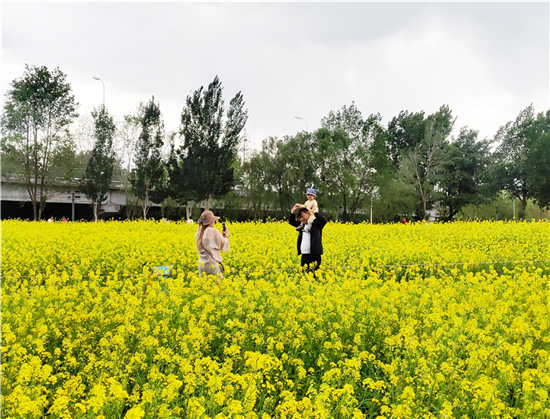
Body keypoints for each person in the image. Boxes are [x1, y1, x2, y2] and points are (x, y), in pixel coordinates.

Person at [289, 203, 327, 274]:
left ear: (308, 213)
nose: (301, 219)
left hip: (314, 255)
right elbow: (291, 222)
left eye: (302, 216)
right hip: (304, 256)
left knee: (314, 275)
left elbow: (323, 221)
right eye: (300, 217)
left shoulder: (315, 224)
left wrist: (314, 212)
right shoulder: (302, 225)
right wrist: (293, 212)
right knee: (304, 276)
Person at [195, 210, 229, 280]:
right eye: (214, 220)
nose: (214, 222)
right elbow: (225, 245)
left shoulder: (200, 233)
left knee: (205, 288)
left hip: (201, 265)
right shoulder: (212, 230)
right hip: (211, 264)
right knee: (217, 288)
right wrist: (226, 236)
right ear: (211, 221)